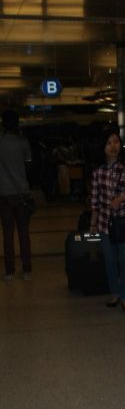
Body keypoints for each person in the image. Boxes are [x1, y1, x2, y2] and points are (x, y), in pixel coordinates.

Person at [90, 127, 125, 314]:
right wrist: (93, 224)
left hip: (124, 221)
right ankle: (115, 292)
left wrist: (121, 199)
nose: (113, 146)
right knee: (110, 260)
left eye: (116, 142)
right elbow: (95, 200)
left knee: (124, 259)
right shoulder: (98, 171)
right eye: (109, 143)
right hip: (104, 223)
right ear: (102, 147)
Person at [0, 109, 33, 281]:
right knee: (24, 233)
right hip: (22, 194)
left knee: (7, 234)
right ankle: (27, 269)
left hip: (4, 194)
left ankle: (9, 271)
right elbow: (29, 167)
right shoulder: (23, 143)